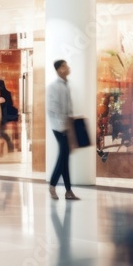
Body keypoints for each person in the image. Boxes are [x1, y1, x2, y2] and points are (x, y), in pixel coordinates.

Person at [48, 60, 79, 201]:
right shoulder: (54, 87)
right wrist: (64, 125)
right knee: (63, 157)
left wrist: (71, 123)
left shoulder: (66, 85)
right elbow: (53, 108)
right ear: (60, 69)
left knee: (65, 157)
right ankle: (53, 185)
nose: (68, 67)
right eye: (65, 66)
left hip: (66, 126)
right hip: (59, 127)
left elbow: (68, 108)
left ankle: (68, 191)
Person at [0, 79, 17, 152]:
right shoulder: (6, 93)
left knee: (1, 132)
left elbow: (2, 102)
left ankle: (10, 146)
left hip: (3, 115)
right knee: (1, 132)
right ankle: (7, 147)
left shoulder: (3, 94)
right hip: (4, 115)